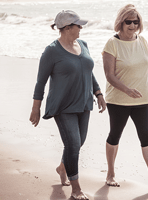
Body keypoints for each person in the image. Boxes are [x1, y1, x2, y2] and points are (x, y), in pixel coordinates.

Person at [29, 10, 106, 200]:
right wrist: (35, 108)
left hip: (84, 103)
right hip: (63, 106)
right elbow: (41, 81)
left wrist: (98, 93)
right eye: (78, 25)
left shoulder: (83, 44)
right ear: (67, 28)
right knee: (72, 144)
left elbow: (89, 71)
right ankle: (76, 188)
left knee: (78, 142)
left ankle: (62, 167)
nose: (81, 28)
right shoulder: (52, 51)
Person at [102, 4, 148, 189]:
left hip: (141, 100)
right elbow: (109, 75)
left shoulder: (142, 41)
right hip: (118, 100)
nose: (133, 25)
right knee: (115, 135)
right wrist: (127, 90)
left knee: (146, 137)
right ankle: (110, 174)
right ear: (121, 22)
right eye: (128, 22)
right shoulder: (112, 44)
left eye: (136, 22)